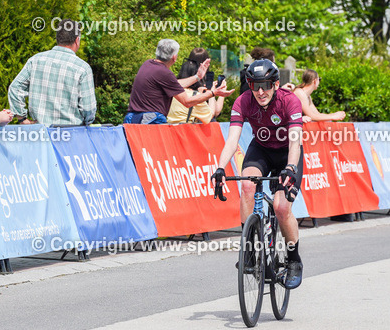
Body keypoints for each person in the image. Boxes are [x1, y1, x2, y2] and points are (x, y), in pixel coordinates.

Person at [212, 59, 305, 289]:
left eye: (265, 85)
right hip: (261, 149)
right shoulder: (243, 101)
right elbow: (232, 140)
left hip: (287, 154)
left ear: (275, 84)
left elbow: (295, 142)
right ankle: (250, 250)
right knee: (246, 186)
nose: (260, 92)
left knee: (281, 207)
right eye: (255, 86)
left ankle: (293, 260)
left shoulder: (289, 101)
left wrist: (291, 168)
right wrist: (220, 168)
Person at [8, 19, 97, 126]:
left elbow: (15, 88)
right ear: (77, 40)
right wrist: (86, 122)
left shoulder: (35, 60)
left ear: (58, 38)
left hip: (39, 133)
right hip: (71, 135)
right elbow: (88, 109)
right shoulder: (82, 68)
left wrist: (22, 119)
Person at [126, 39, 232, 124]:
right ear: (174, 57)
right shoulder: (164, 73)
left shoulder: (148, 64)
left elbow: (175, 85)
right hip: (152, 120)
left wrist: (197, 76)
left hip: (132, 118)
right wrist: (213, 93)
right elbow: (187, 102)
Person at [167, 57, 226, 124]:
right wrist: (211, 92)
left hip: (169, 129)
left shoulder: (170, 92)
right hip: (185, 131)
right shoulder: (195, 96)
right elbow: (211, 115)